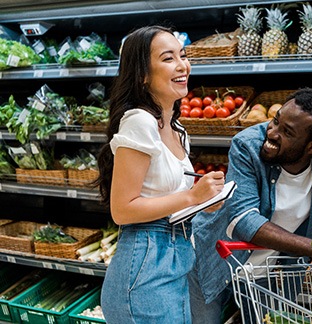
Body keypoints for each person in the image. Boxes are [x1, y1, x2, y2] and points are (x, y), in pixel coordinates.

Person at [189, 86, 312, 323]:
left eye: (287, 132)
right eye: (275, 120)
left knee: (265, 320)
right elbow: (245, 220)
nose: (272, 132)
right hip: (215, 260)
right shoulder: (247, 145)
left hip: (269, 268)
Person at [95, 25, 225, 323]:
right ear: (142, 74)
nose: (182, 65)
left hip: (175, 257)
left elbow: (164, 196)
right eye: (168, 59)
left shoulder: (178, 130)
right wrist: (191, 195)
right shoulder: (139, 122)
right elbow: (122, 209)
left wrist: (203, 201)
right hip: (145, 263)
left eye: (183, 55)